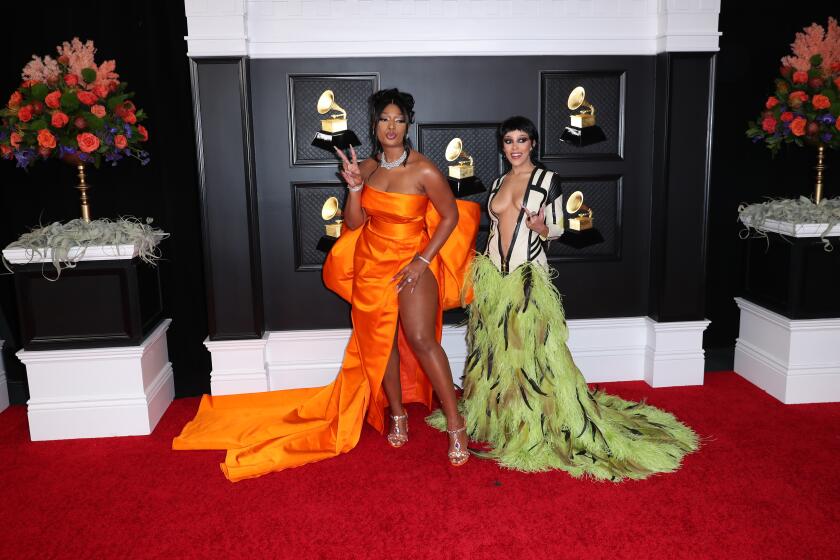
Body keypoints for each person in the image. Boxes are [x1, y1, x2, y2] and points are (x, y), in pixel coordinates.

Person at [173, 89, 480, 480]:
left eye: (398, 119)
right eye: (384, 119)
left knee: (421, 338)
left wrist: (422, 261)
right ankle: (398, 413)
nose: (391, 126)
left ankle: (456, 423)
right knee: (381, 343)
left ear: (408, 124)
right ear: (374, 125)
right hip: (372, 264)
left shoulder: (424, 171)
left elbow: (451, 217)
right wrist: (353, 188)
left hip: (413, 263)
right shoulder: (366, 167)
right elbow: (353, 224)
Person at [428, 116, 698, 481]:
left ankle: (538, 421)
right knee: (494, 352)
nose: (515, 147)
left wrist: (541, 226)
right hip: (493, 278)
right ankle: (501, 418)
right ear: (503, 145)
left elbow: (556, 228)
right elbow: (494, 230)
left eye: (522, 139)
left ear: (533, 144)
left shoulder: (547, 180)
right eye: (509, 141)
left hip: (527, 279)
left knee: (533, 353)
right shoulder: (497, 182)